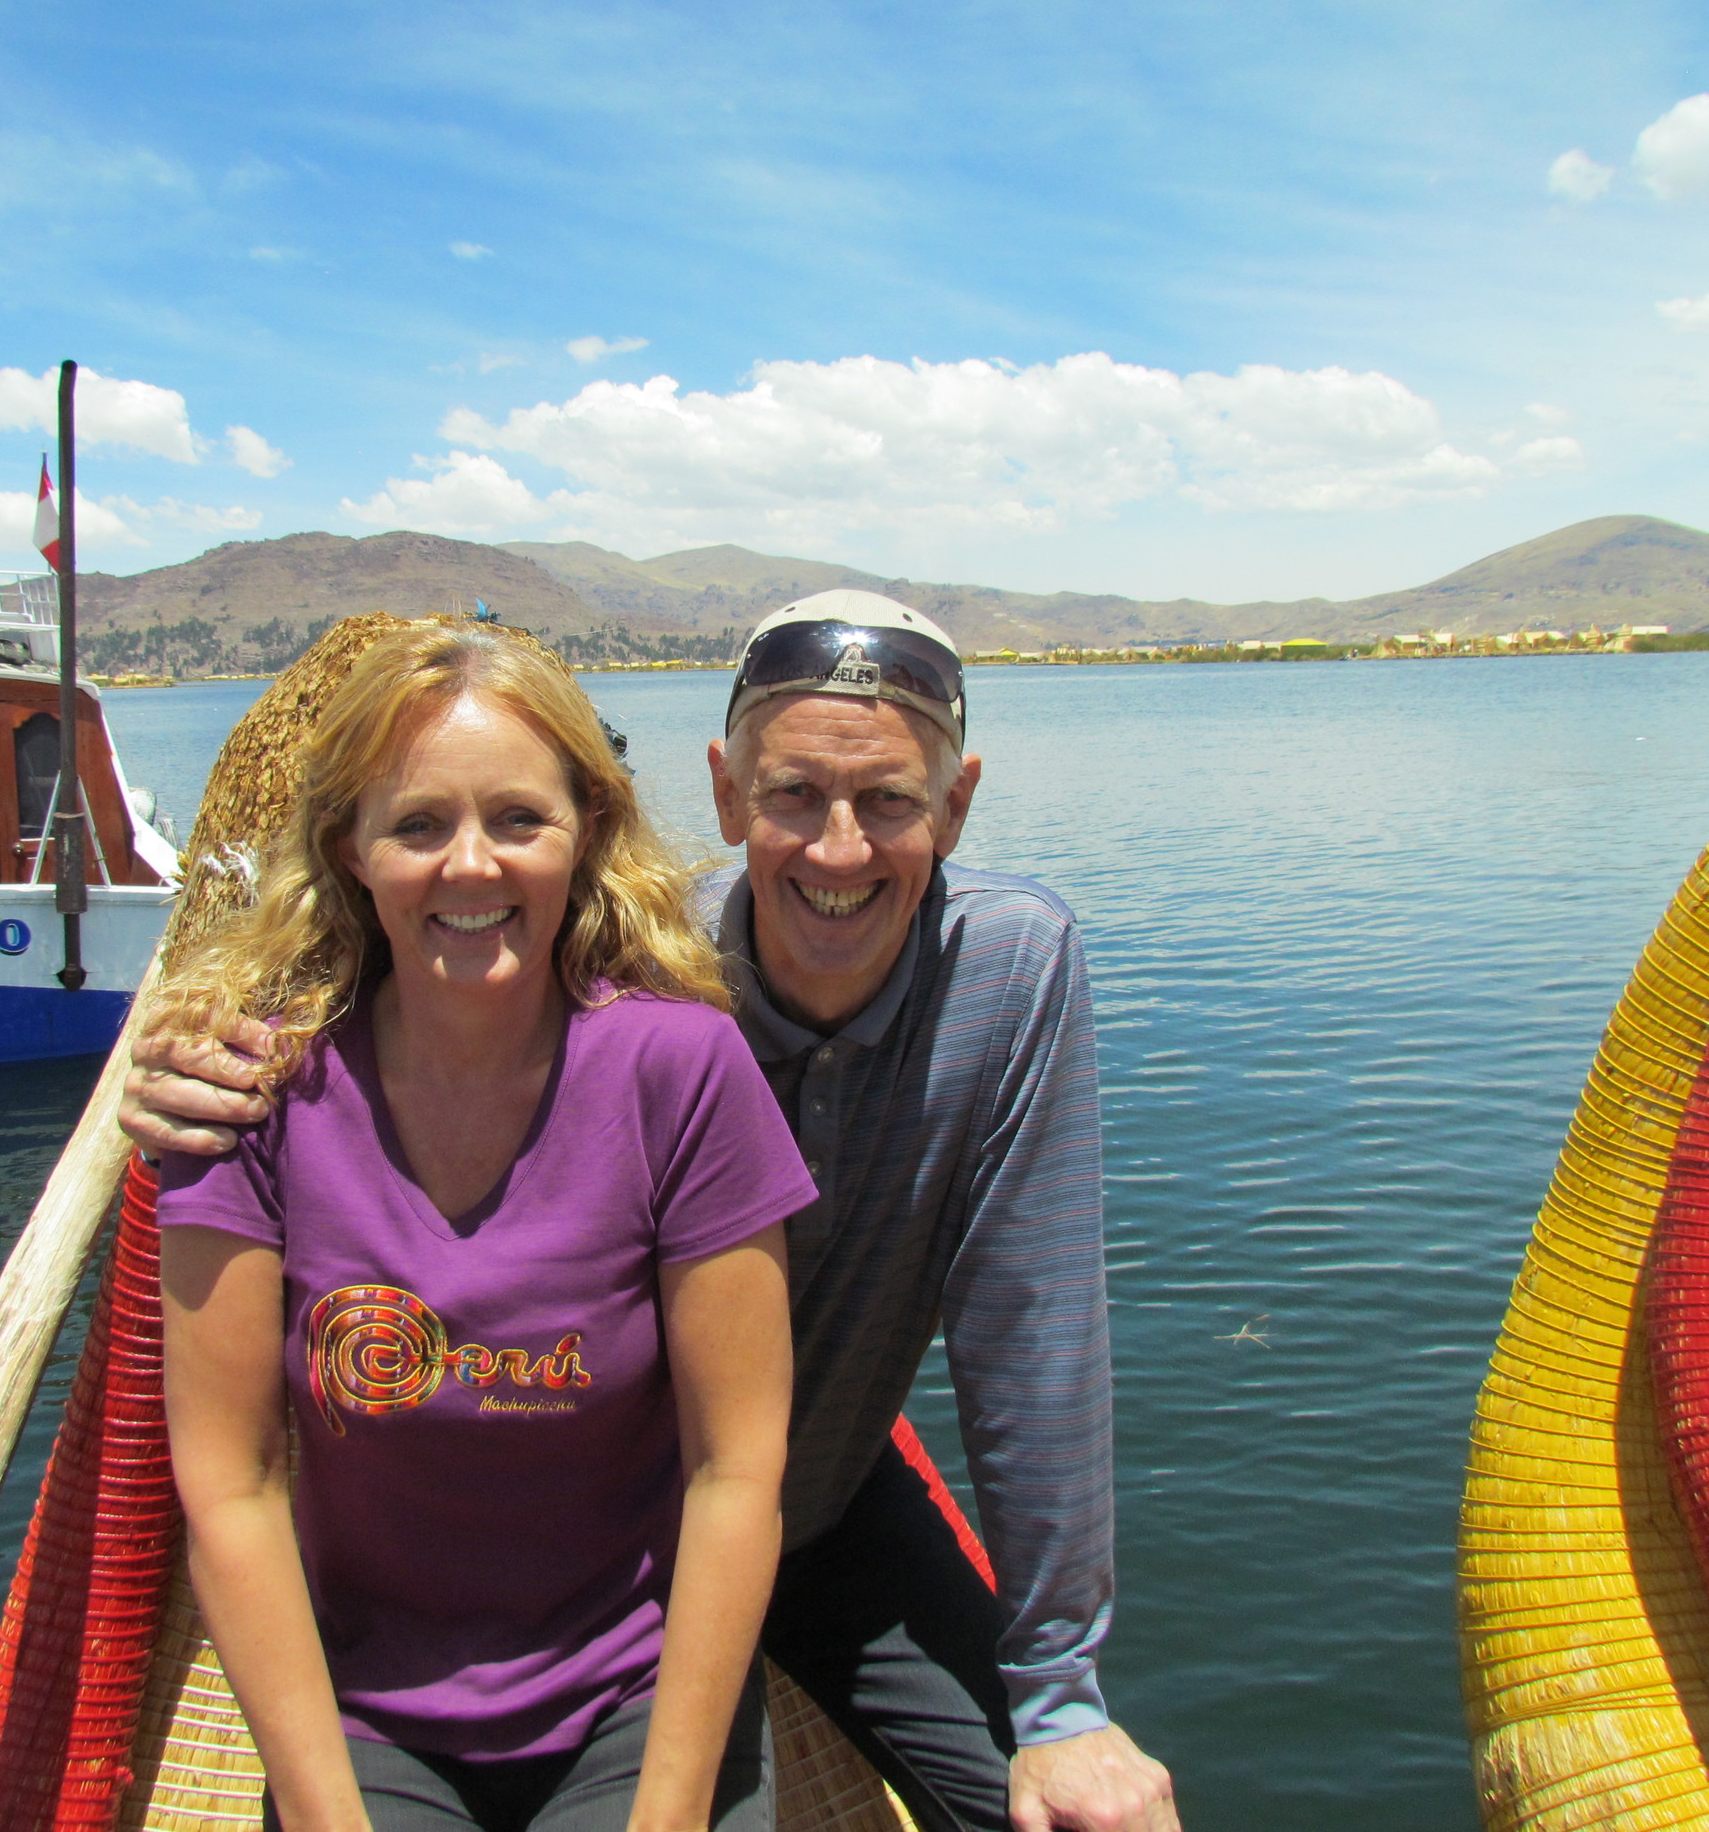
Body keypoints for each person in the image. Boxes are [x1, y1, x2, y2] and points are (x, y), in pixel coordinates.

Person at [132, 594, 1181, 1832]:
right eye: (792, 796)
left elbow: (1030, 1340)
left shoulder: (992, 973)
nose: (838, 850)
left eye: (889, 801)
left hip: (816, 1508)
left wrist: (1060, 1700)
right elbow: (425, 961)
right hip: (611, 1556)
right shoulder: (612, 960)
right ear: (727, 797)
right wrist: (196, 1052)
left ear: (954, 809)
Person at [154, 622, 819, 1832]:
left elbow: (735, 1469)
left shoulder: (680, 1070)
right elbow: (232, 1483)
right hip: (370, 1717)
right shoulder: (253, 1096)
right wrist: (320, 1812)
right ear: (348, 849)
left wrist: (666, 1813)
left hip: (633, 1700)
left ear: (587, 834)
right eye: (417, 826)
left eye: (518, 820)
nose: (471, 868)